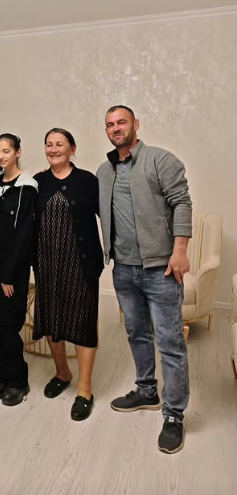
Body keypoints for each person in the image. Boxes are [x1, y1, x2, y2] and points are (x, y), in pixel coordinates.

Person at [97, 105, 192, 455]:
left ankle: (174, 414)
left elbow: (182, 203)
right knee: (136, 333)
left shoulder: (160, 160)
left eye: (121, 122)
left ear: (135, 124)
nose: (116, 128)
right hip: (123, 269)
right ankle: (147, 391)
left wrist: (179, 251)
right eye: (110, 124)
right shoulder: (104, 171)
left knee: (170, 342)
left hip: (161, 269)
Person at [33, 128, 104, 421]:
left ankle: (85, 390)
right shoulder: (37, 182)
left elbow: (108, 217)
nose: (53, 149)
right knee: (53, 320)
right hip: (47, 264)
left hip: (81, 264)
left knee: (83, 323)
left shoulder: (87, 180)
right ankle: (62, 373)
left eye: (59, 144)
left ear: (72, 149)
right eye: (49, 144)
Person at [0, 134, 37, 406]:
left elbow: (23, 236)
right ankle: (2, 374)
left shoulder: (27, 187)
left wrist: (7, 274)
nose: (1, 156)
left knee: (7, 325)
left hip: (11, 269)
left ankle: (18, 380)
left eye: (6, 151)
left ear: (18, 152)